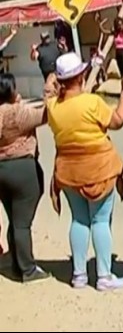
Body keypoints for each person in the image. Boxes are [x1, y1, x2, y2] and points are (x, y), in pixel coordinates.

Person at [46, 52, 123, 291]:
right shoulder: (92, 102)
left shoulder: (53, 107)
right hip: (99, 168)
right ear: (80, 75)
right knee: (99, 220)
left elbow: (50, 94)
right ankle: (104, 276)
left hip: (68, 171)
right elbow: (117, 121)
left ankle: (79, 275)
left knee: (79, 219)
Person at [0, 72, 52, 283]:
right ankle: (28, 269)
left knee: (14, 220)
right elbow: (47, 114)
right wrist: (48, 90)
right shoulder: (17, 113)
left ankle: (16, 263)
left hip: (2, 169)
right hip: (22, 168)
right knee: (22, 223)